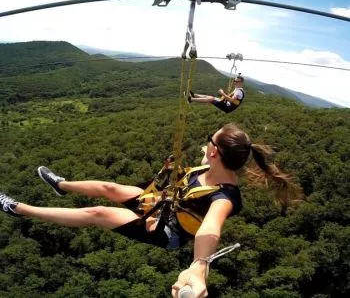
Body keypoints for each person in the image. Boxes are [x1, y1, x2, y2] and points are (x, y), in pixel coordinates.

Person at [0, 123, 302, 298]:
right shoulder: (206, 167)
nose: (204, 143)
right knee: (112, 189)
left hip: (166, 231)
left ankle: (19, 209)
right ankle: (62, 185)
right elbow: (177, 190)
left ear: (215, 151)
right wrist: (164, 176)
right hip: (161, 206)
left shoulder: (226, 197)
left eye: (210, 139)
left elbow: (211, 227)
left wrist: (199, 265)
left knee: (98, 213)